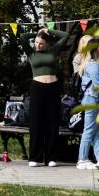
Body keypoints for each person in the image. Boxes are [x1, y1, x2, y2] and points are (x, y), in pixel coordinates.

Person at [21, 27, 73, 167]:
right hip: (37, 88)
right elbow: (23, 37)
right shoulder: (31, 53)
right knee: (36, 122)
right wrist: (38, 33)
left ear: (47, 44)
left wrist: (48, 31)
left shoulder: (53, 51)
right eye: (36, 43)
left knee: (52, 122)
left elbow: (66, 35)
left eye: (41, 43)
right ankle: (34, 157)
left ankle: (50, 158)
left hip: (53, 88)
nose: (38, 45)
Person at [76, 36, 99, 169]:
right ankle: (82, 159)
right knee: (89, 130)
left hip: (92, 99)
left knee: (97, 132)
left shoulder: (91, 64)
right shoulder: (93, 66)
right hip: (92, 99)